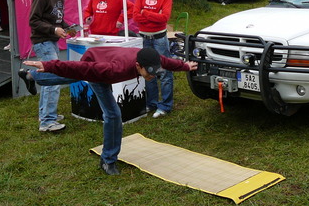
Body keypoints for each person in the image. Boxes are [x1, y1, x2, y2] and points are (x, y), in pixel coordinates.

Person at [19, 47, 197, 175]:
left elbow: (168, 62)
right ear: (138, 65)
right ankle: (108, 161)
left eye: (154, 72)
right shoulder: (114, 69)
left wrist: (186, 66)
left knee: (73, 79)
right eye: (149, 72)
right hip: (95, 65)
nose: (152, 76)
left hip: (105, 59)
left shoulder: (152, 58)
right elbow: (78, 67)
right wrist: (49, 65)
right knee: (113, 114)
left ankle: (31, 76)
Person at [25, 0, 75, 132]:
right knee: (54, 78)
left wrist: (69, 28)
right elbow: (33, 21)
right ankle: (47, 121)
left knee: (48, 78)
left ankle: (45, 114)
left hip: (51, 42)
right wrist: (54, 30)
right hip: (43, 41)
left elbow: (58, 20)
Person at [133, 0, 174, 118]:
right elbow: (136, 16)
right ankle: (152, 103)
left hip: (159, 38)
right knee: (148, 71)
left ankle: (166, 105)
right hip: (144, 37)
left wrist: (145, 12)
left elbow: (165, 18)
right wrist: (153, 14)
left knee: (163, 71)